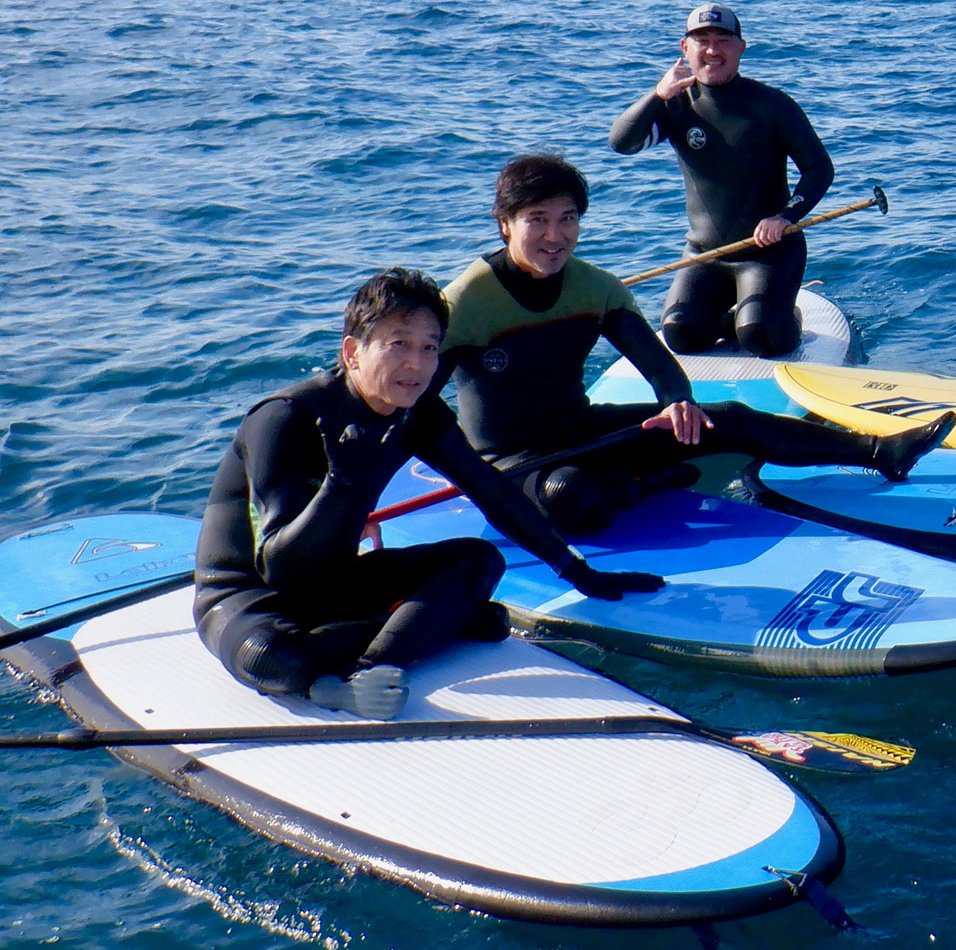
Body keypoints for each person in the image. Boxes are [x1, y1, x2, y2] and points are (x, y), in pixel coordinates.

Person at [192, 269, 657, 720]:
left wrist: (577, 570)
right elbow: (278, 569)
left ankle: (371, 667)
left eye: (430, 347)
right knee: (273, 657)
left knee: (480, 562)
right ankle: (331, 681)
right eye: (399, 345)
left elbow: (489, 488)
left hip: (338, 581)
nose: (417, 364)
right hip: (248, 599)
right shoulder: (285, 418)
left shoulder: (416, 412)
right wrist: (342, 485)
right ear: (353, 352)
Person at [438, 154, 952, 534]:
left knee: (725, 414)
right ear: (505, 225)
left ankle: (880, 451)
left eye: (567, 218)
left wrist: (678, 402)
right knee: (572, 495)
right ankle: (643, 483)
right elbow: (405, 403)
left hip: (584, 432)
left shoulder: (594, 287)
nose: (556, 236)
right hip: (508, 462)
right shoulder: (466, 302)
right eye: (538, 220)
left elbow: (659, 366)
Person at [607, 2, 833, 358]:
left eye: (723, 40)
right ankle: (738, 319)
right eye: (702, 41)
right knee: (680, 334)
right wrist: (657, 94)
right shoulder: (675, 106)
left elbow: (819, 168)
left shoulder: (771, 104)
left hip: (769, 253)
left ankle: (782, 316)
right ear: (685, 49)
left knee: (761, 338)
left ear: (741, 47)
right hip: (705, 253)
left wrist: (785, 218)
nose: (713, 50)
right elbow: (622, 143)